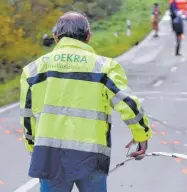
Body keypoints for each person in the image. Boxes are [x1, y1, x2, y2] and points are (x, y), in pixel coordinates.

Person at [19, 11, 152, 192]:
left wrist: (34, 149)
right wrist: (141, 135)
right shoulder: (105, 67)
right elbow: (129, 103)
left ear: (55, 36)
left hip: (50, 156)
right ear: (88, 37)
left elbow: (27, 117)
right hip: (92, 157)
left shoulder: (33, 70)